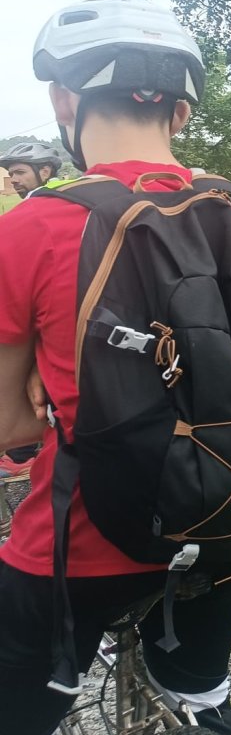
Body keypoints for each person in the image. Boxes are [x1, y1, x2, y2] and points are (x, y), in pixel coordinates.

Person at [0, 0, 231, 735]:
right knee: (200, 696)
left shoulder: (31, 225)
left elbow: (8, 425)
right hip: (225, 522)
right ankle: (200, 704)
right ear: (181, 113)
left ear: (64, 100)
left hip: (79, 547)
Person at [0, 142, 63, 481]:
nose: (14, 179)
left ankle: (21, 453)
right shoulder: (34, 204)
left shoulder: (51, 205)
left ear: (46, 171)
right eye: (11, 174)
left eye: (20, 172)